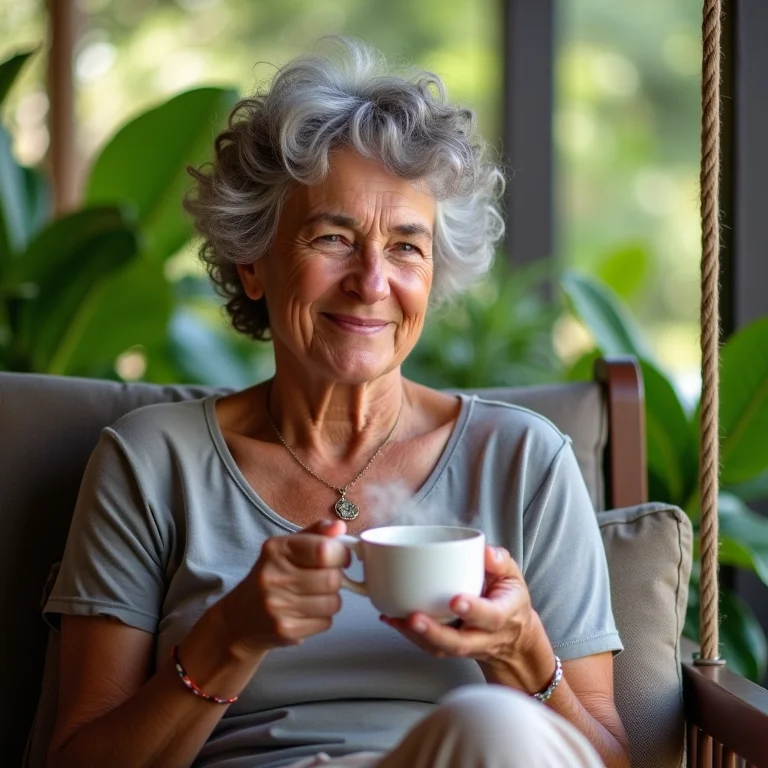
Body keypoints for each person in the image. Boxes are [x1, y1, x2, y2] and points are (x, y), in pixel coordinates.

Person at [44, 38, 629, 768]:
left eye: (408, 248)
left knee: (491, 726)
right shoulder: (151, 461)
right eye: (333, 237)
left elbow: (608, 759)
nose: (372, 281)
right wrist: (230, 639)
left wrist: (521, 656)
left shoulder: (526, 461)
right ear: (253, 263)